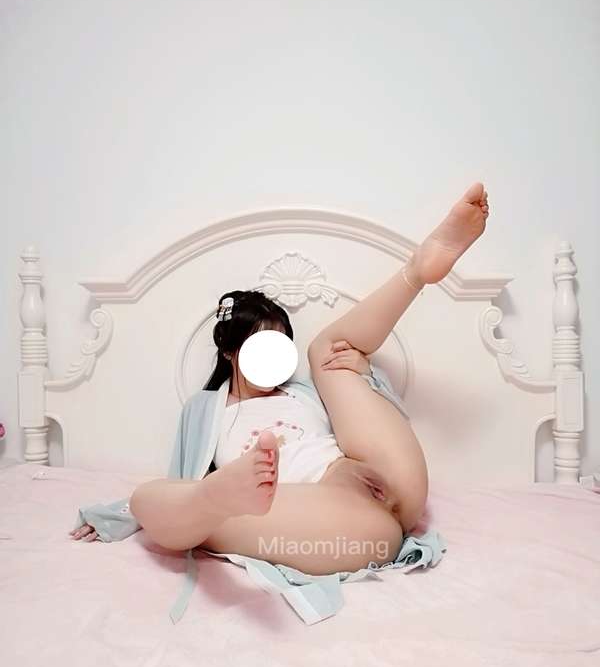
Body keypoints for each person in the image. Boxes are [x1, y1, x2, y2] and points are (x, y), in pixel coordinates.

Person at [71, 182, 490, 576]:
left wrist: (363, 374)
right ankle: (216, 496)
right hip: (342, 523)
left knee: (325, 351)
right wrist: (124, 513)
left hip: (394, 482)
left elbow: (366, 422)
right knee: (149, 495)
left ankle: (417, 271)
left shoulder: (303, 392)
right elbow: (183, 476)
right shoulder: (206, 409)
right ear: (230, 351)